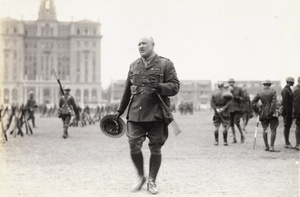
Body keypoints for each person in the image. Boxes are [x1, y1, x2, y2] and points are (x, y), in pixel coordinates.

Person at [115, 36, 180, 194]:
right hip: (136, 112)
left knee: (155, 148)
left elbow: (175, 87)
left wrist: (159, 86)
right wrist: (119, 112)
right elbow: (126, 91)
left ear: (152, 45)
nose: (141, 46)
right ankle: (140, 176)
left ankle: (152, 180)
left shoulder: (165, 64)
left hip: (157, 113)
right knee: (133, 145)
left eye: (144, 43)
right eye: (139, 44)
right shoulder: (133, 65)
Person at [251, 80, 279, 152]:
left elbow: (253, 103)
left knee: (265, 129)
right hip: (272, 114)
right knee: (273, 130)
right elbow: (273, 104)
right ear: (270, 85)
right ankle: (271, 147)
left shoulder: (260, 92)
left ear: (264, 85)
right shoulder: (273, 91)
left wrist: (258, 110)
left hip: (263, 113)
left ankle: (266, 146)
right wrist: (271, 112)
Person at [228, 78, 245, 143]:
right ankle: (234, 137)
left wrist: (237, 97)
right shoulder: (227, 90)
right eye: (229, 82)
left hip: (237, 108)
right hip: (230, 108)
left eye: (232, 82)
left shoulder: (239, 89)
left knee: (237, 122)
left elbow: (243, 98)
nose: (231, 83)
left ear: (234, 83)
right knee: (231, 124)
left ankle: (242, 136)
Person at [280, 77, 295, 148]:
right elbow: (285, 103)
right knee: (286, 127)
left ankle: (287, 141)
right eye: (292, 82)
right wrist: (287, 113)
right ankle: (286, 142)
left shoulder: (288, 90)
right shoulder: (286, 90)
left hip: (288, 111)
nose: (293, 83)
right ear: (290, 82)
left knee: (288, 127)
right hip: (287, 112)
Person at [292, 76, 300, 150]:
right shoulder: (298, 90)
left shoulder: (296, 88)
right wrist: (296, 114)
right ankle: (298, 144)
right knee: (298, 128)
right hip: (299, 112)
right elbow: (296, 103)